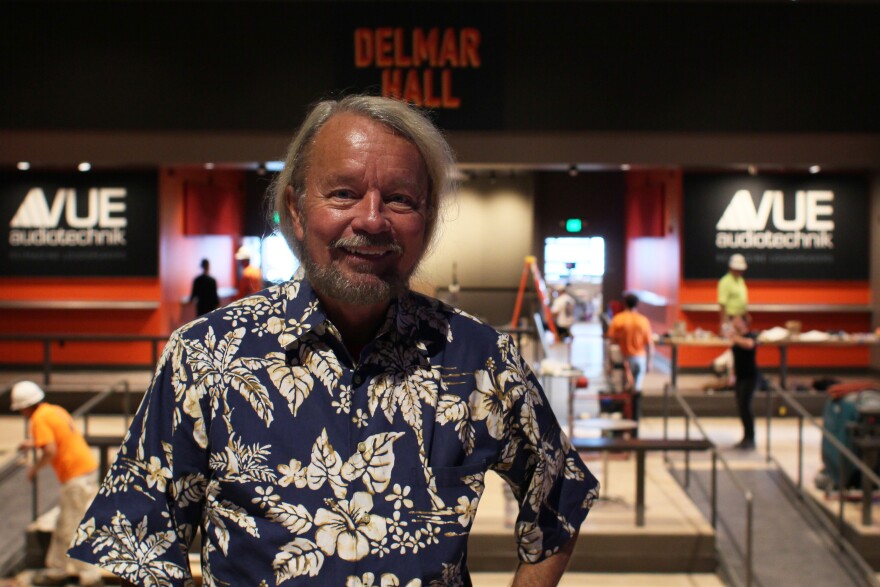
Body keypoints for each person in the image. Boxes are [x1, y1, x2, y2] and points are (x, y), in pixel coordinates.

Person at [69, 95, 599, 587]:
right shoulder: (207, 357)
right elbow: (134, 542)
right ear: (296, 210)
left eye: (400, 199)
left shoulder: (480, 358)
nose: (371, 219)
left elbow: (559, 498)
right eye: (343, 193)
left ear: (429, 218)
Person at [11, 381, 104, 587]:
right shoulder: (54, 411)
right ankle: (57, 568)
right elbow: (59, 436)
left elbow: (51, 449)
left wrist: (35, 468)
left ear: (25, 407)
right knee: (66, 522)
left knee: (72, 525)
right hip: (87, 468)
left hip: (75, 476)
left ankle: (89, 576)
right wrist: (33, 443)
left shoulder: (38, 419)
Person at [605, 292, 655, 428]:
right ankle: (635, 420)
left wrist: (608, 363)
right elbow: (650, 344)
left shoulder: (618, 319)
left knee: (622, 389)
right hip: (639, 358)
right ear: (637, 304)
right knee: (636, 389)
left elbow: (610, 342)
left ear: (625, 303)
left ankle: (622, 417)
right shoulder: (643, 320)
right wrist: (650, 362)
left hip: (623, 359)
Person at [727, 314, 758, 450]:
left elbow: (749, 344)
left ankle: (750, 438)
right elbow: (735, 358)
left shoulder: (751, 336)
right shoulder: (736, 338)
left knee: (746, 407)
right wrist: (732, 375)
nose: (735, 322)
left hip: (750, 376)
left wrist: (734, 338)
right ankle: (745, 437)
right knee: (741, 407)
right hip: (739, 376)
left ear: (744, 323)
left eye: (738, 320)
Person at [718, 253, 749, 329]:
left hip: (741, 318)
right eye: (737, 269)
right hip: (730, 319)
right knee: (733, 339)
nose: (739, 271)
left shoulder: (740, 280)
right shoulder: (725, 281)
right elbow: (722, 304)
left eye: (740, 270)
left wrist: (746, 315)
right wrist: (725, 323)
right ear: (731, 268)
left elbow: (741, 300)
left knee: (744, 339)